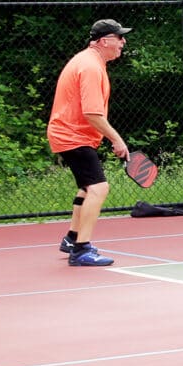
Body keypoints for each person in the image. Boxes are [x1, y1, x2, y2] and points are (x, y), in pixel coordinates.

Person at [48, 19, 133, 266]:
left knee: (87, 187)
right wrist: (117, 140)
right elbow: (92, 113)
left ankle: (72, 238)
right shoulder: (90, 66)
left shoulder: (90, 61)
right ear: (104, 41)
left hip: (71, 134)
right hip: (71, 135)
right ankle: (81, 250)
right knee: (98, 188)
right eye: (119, 38)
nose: (123, 42)